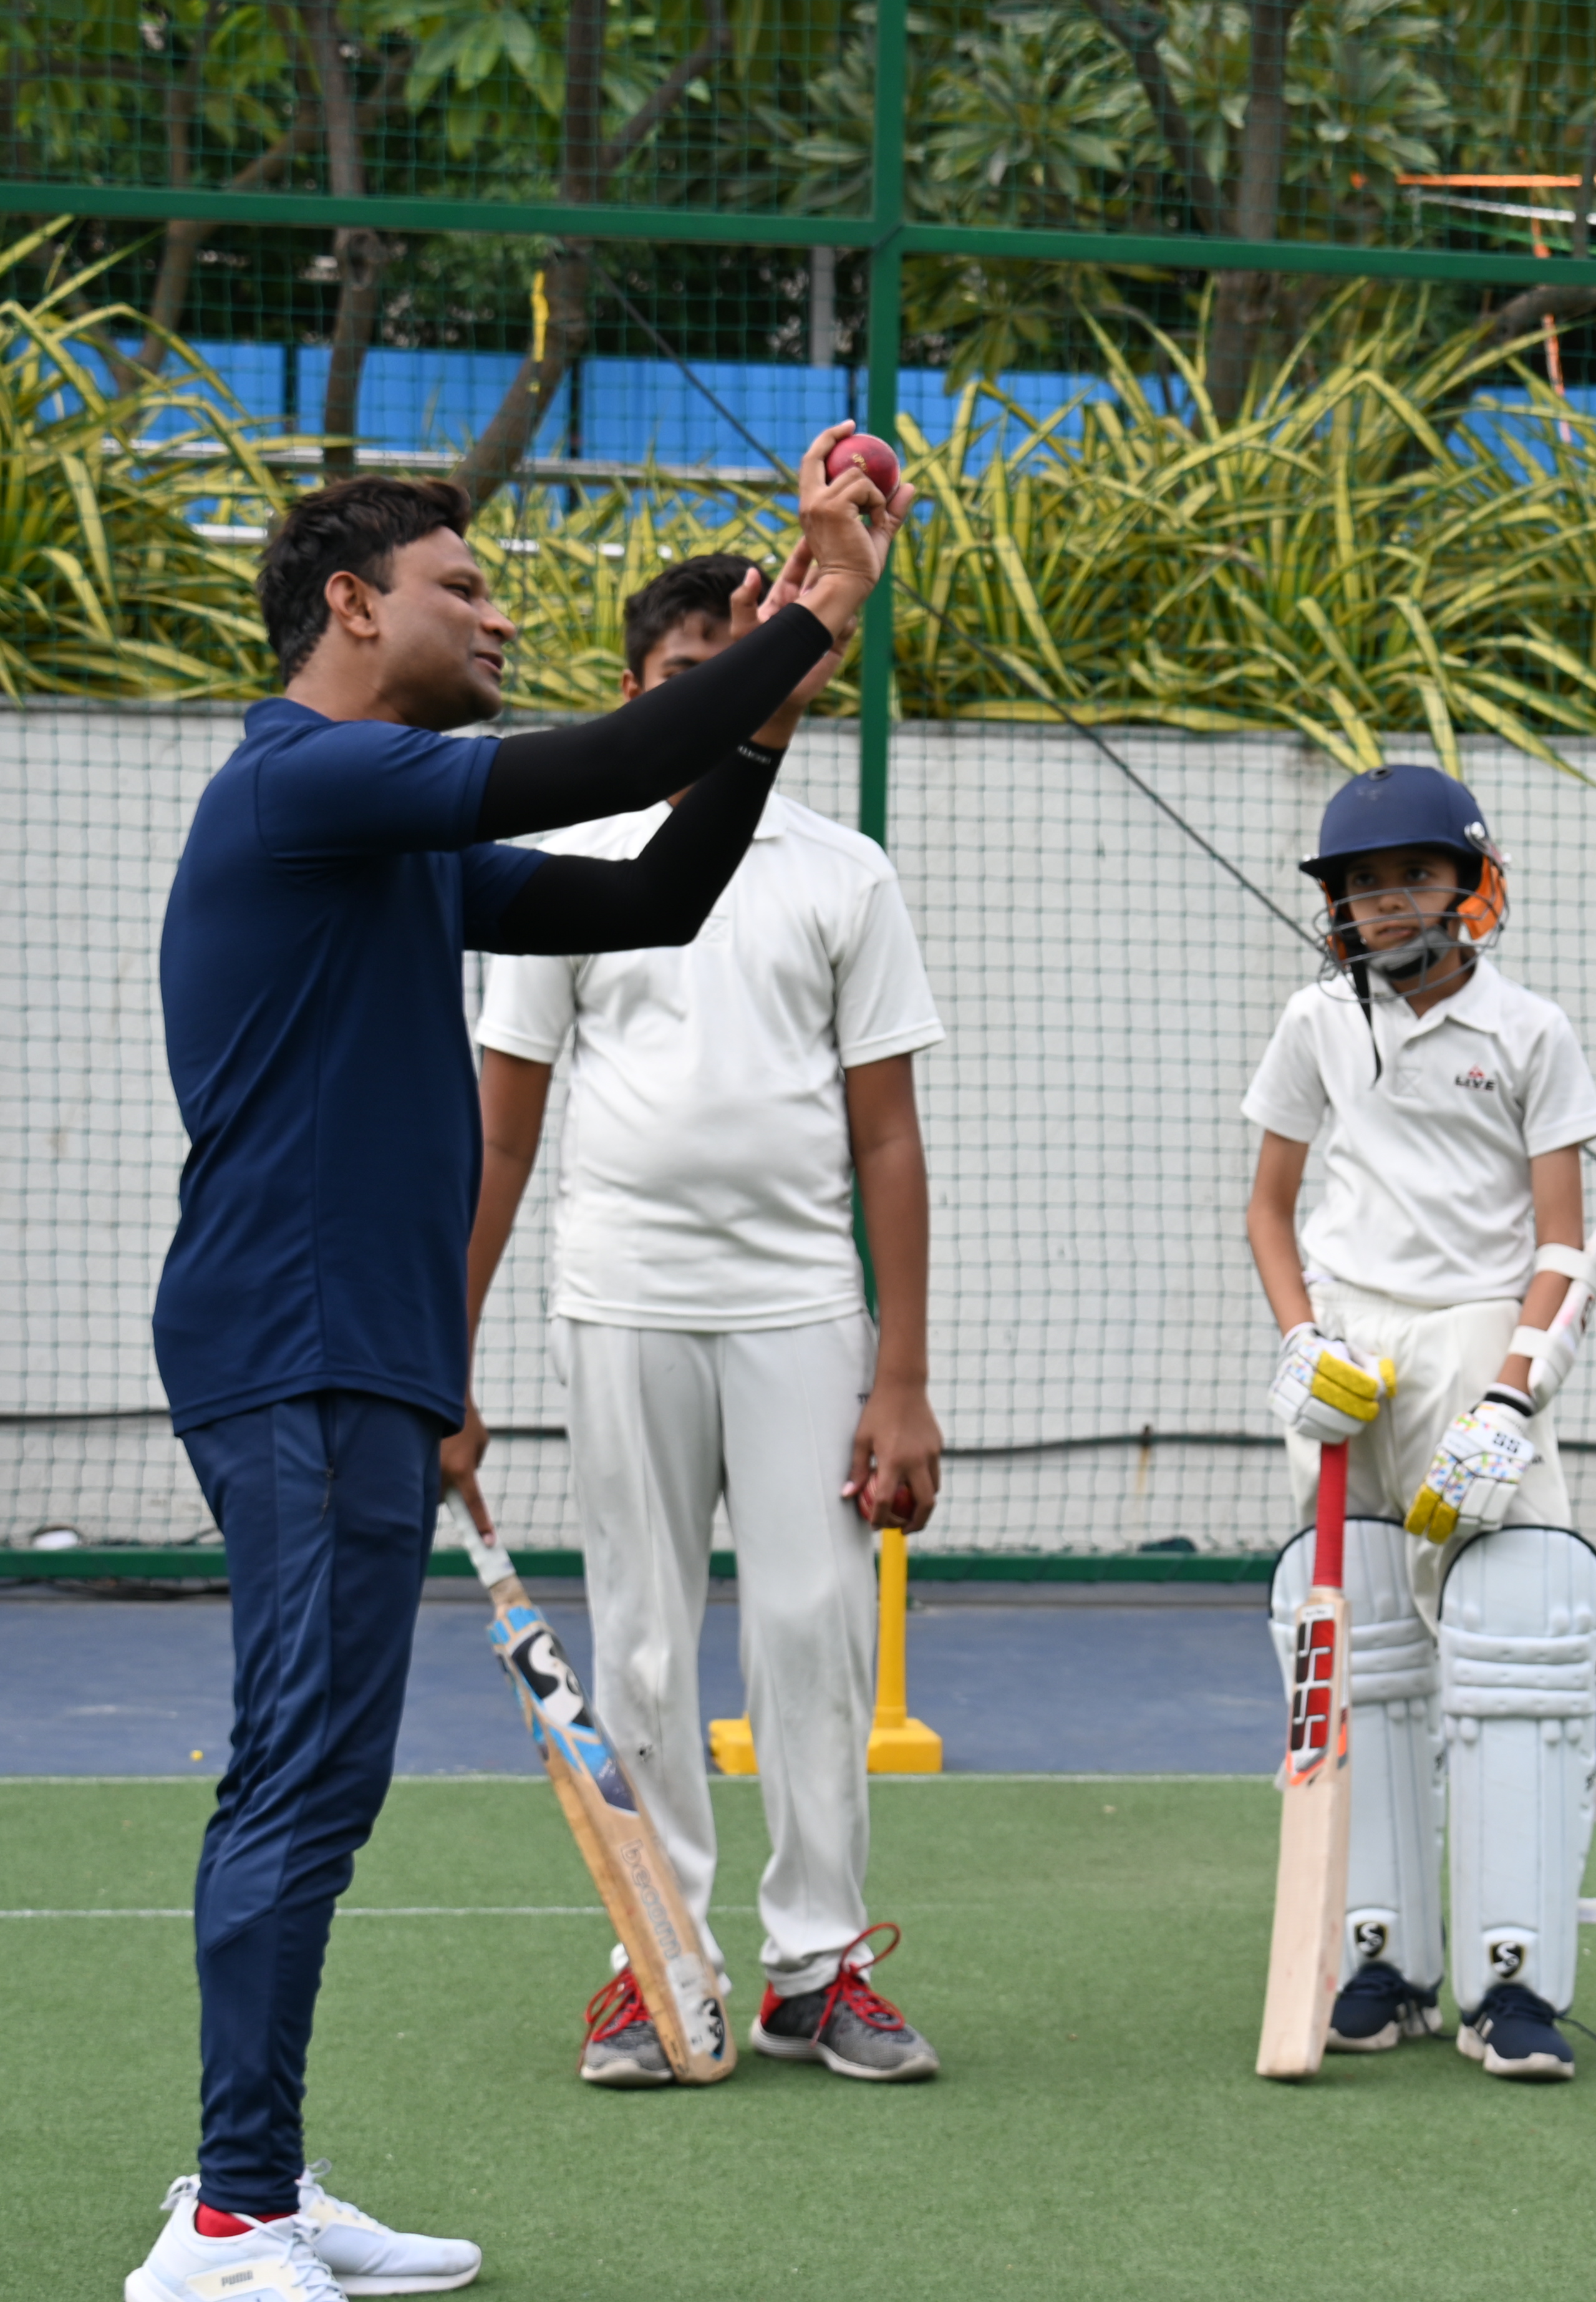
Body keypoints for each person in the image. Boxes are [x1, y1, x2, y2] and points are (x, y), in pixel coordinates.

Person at [130, 439, 907, 2302]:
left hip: (361, 1349)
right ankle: (226, 2221)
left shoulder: (387, 848)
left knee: (319, 1773)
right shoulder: (306, 780)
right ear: (349, 604)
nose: (499, 614)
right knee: (298, 1775)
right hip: (296, 1341)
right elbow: (610, 762)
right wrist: (810, 605)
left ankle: (261, 2182)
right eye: (463, 590)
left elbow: (647, 887)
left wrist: (779, 711)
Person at [448, 551, 949, 2089]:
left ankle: (821, 1964)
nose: (726, 696)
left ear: (802, 676)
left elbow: (887, 1139)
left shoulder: (840, 871)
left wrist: (904, 1380)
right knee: (647, 1644)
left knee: (812, 1631)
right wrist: (440, 1355)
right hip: (620, 1303)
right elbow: (504, 1137)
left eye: (760, 664)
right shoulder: (569, 859)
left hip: (800, 1306)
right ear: (633, 693)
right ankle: (659, 1958)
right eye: (687, 679)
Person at [1244, 765, 1596, 2081]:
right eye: (1359, 879)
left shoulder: (1530, 1030)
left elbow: (1563, 1242)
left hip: (1476, 1341)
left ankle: (1516, 1980)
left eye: (1409, 872)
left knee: (1518, 1652)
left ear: (1471, 885)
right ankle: (1384, 1958)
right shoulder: (1313, 1023)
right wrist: (1301, 1341)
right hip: (1355, 1359)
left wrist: (1513, 1394)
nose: (1382, 897)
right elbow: (1269, 1209)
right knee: (1366, 1657)